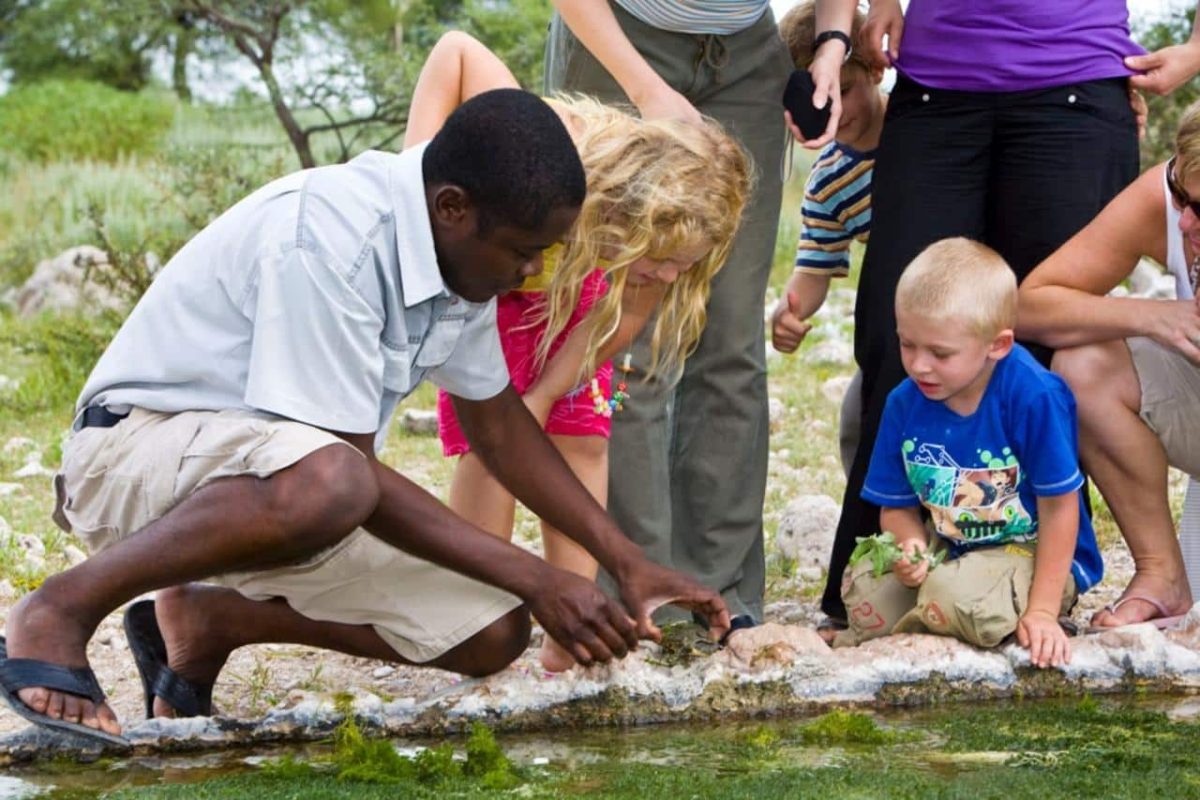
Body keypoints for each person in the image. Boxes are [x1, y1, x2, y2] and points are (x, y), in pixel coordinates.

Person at [0, 89, 730, 745]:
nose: (529, 275)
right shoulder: (328, 239)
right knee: (337, 482)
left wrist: (626, 563)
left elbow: (499, 426)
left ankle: (212, 616)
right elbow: (349, 476)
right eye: (522, 253)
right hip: (133, 456)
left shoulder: (459, 262)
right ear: (453, 207)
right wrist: (542, 576)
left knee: (493, 629)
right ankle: (59, 609)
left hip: (273, 487)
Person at [405, 32, 750, 671]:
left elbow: (620, 323)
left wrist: (544, 393)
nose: (668, 277)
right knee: (494, 450)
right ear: (626, 212)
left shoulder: (646, 267)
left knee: (581, 436)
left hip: (576, 306)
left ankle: (572, 637)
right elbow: (456, 49)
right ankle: (478, 616)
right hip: (491, 298)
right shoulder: (551, 142)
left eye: (681, 270)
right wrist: (415, 173)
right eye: (658, 262)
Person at [810, 0, 1151, 631]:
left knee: (1042, 344)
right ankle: (908, 553)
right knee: (901, 339)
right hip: (936, 87)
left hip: (1076, 80)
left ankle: (1042, 586)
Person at [542, 0, 792, 635]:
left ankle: (721, 592)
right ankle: (638, 591)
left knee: (733, 336)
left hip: (749, 55)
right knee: (628, 340)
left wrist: (833, 40)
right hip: (622, 42)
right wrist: (645, 88)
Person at [835, 238, 1102, 668]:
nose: (920, 365)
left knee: (953, 599)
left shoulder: (1033, 396)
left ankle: (984, 612)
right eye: (907, 344)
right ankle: (945, 616)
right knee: (865, 592)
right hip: (951, 546)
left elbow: (1060, 507)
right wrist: (912, 550)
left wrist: (1043, 611)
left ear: (997, 345)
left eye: (940, 353)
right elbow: (896, 507)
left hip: (1028, 550)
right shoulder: (904, 402)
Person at [1018, 101, 1200, 630]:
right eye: (1182, 195)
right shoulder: (1162, 199)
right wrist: (1151, 315)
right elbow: (1030, 304)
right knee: (1084, 364)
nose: (1186, 219)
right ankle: (1162, 575)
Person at [770, 0, 884, 475]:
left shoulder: (924, 127)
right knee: (856, 423)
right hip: (902, 327)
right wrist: (789, 308)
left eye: (845, 89)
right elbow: (814, 268)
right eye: (815, 102)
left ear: (875, 69)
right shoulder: (829, 179)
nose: (835, 111)